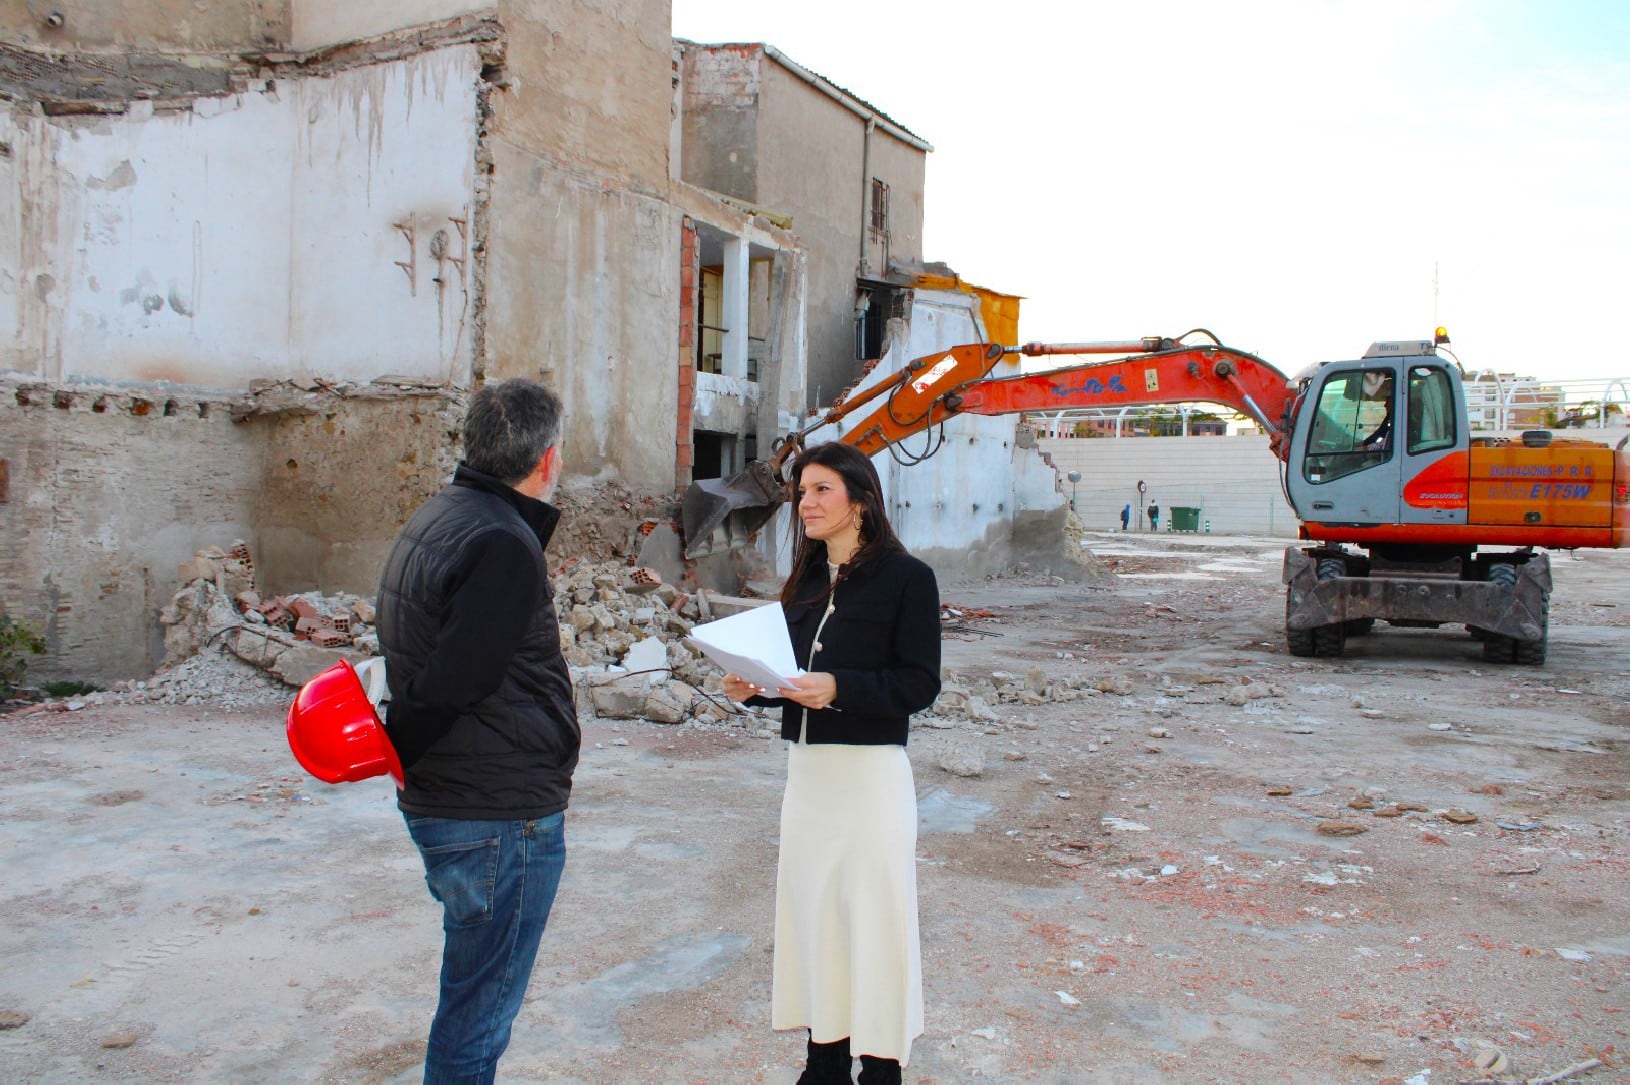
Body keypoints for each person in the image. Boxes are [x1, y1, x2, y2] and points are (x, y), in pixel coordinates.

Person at [376, 379, 579, 1085]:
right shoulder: (501, 542)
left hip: (463, 799)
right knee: (476, 1022)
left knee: (469, 1005)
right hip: (497, 813)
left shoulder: (443, 516)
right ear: (546, 460)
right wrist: (399, 743)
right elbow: (455, 679)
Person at [722, 441, 941, 1085]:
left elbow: (919, 683)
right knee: (814, 914)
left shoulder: (908, 578)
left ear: (860, 501)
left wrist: (841, 687)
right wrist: (755, 686)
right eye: (802, 491)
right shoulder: (808, 579)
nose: (806, 503)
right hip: (809, 777)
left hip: (869, 776)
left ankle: (879, 1067)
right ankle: (823, 1059)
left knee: (874, 918)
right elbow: (792, 674)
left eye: (821, 490)